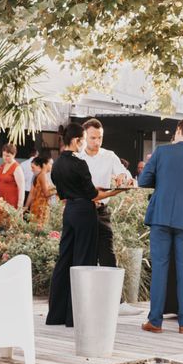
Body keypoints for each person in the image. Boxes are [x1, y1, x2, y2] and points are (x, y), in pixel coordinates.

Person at [46, 123, 121, 327]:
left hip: (69, 211)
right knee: (83, 262)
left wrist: (87, 192)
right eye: (84, 140)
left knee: (65, 260)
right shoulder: (79, 164)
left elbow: (66, 191)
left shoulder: (58, 164)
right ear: (78, 140)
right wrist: (115, 192)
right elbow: (94, 195)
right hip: (85, 212)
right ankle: (75, 317)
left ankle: (56, 315)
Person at [139, 117, 183, 334]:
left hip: (160, 216)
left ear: (178, 130)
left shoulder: (161, 152)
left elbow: (143, 181)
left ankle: (155, 321)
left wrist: (162, 183)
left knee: (160, 267)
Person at [78, 118, 134, 269]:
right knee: (84, 259)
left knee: (108, 259)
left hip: (101, 212)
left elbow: (126, 175)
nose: (97, 142)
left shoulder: (109, 156)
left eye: (100, 137)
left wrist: (124, 177)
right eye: (93, 138)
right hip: (81, 212)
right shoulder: (76, 157)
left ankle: (109, 292)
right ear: (84, 137)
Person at [0, 143, 25, 225]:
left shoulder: (17, 167)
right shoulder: (1, 166)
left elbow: (21, 188)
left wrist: (19, 206)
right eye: (3, 155)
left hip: (12, 202)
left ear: (14, 155)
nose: (5, 158)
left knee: (10, 225)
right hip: (1, 201)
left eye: (8, 155)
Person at [24, 156, 55, 226]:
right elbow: (46, 193)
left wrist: (25, 207)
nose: (51, 166)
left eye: (33, 167)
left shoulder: (38, 176)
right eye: (50, 164)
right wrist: (59, 189)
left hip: (36, 207)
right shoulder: (42, 175)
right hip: (41, 209)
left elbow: (31, 193)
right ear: (44, 165)